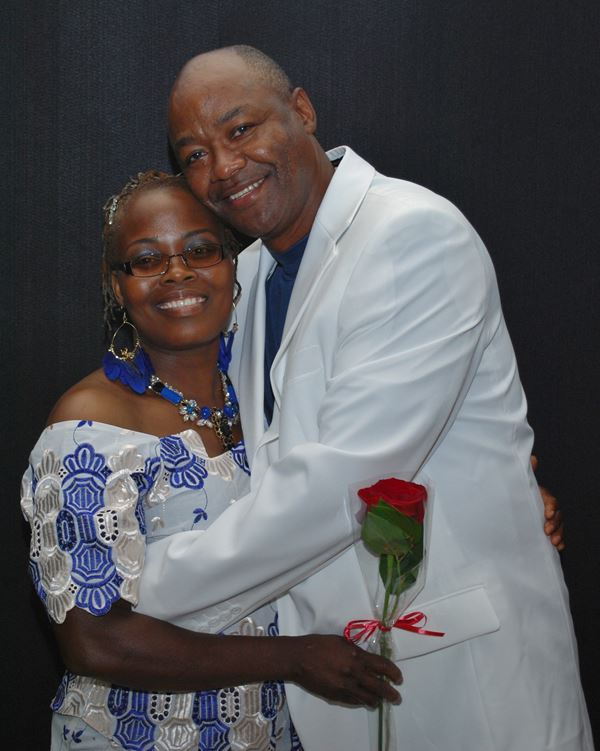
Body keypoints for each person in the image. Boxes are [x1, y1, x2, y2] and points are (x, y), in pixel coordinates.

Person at [132, 46, 592, 751]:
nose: (222, 167)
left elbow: (345, 482)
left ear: (303, 111)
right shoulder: (242, 277)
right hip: (334, 688)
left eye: (241, 129)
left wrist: (141, 588)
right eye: (194, 154)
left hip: (468, 677)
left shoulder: (412, 234)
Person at [20, 171, 402, 751]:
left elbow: (364, 470)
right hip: (138, 734)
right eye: (147, 259)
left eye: (200, 250)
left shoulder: (270, 392)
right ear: (117, 286)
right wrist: (295, 659)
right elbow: (94, 642)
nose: (178, 272)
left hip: (279, 729)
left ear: (233, 265)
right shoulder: (89, 428)